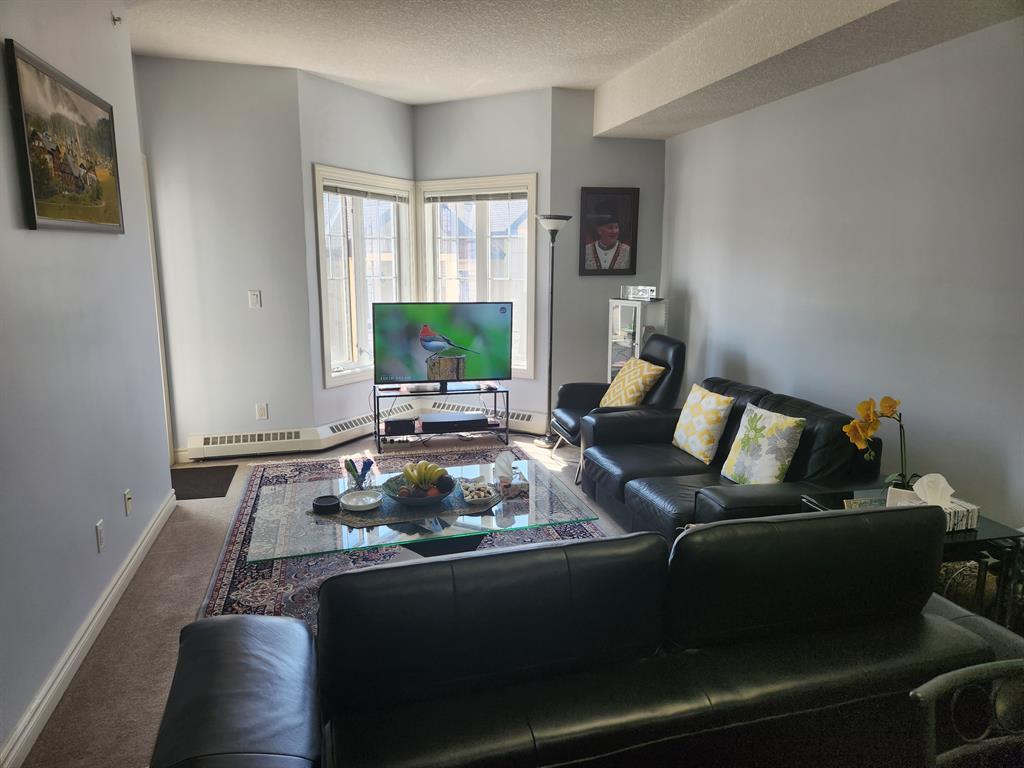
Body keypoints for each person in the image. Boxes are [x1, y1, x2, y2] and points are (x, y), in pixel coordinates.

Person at [583, 200, 632, 271]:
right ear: (599, 230)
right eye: (610, 227)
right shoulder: (586, 250)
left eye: (616, 227)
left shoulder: (628, 251)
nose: (614, 231)